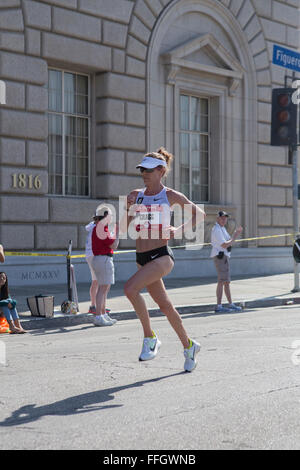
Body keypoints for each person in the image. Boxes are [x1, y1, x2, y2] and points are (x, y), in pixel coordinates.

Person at [121, 147, 206, 372]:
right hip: (141, 257)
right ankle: (189, 346)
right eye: (142, 170)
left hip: (161, 256)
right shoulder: (136, 194)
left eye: (149, 170)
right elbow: (124, 227)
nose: (144, 174)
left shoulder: (169, 195)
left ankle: (150, 337)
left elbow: (200, 214)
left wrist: (177, 230)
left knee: (129, 289)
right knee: (166, 306)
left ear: (161, 170)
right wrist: (127, 207)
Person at [91, 205, 119, 327]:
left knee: (104, 288)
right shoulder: (102, 228)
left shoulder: (98, 227)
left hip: (99, 259)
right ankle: (98, 316)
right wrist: (117, 234)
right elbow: (114, 245)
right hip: (104, 259)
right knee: (103, 289)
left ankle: (102, 314)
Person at [210, 211, 243, 313]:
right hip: (221, 257)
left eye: (225, 218)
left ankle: (230, 304)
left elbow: (229, 241)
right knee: (222, 281)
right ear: (217, 219)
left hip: (224, 257)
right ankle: (219, 306)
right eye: (222, 218)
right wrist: (236, 235)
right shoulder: (217, 229)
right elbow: (225, 244)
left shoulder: (221, 228)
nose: (224, 220)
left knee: (226, 281)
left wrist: (234, 235)